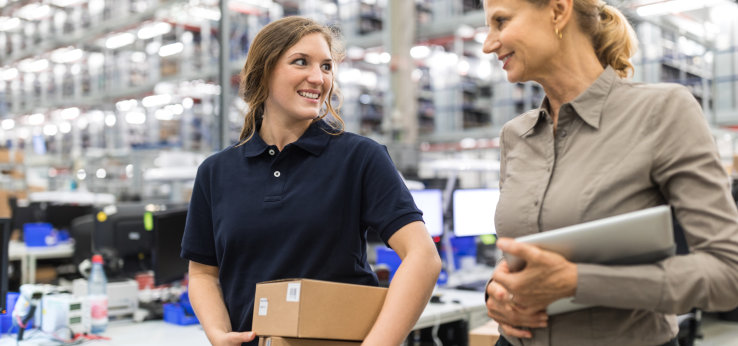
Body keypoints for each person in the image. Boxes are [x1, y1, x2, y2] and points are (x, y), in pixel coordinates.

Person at [480, 0, 738, 345]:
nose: (488, 44)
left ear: (558, 11)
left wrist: (577, 282)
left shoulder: (662, 112)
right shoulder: (516, 135)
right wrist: (497, 293)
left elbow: (728, 274)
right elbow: (515, 253)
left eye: (501, 22)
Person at [181, 16, 441, 346]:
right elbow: (203, 272)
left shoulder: (360, 158)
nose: (318, 78)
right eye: (300, 62)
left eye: (327, 67)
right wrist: (219, 334)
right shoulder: (216, 172)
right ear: (264, 71)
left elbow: (423, 256)